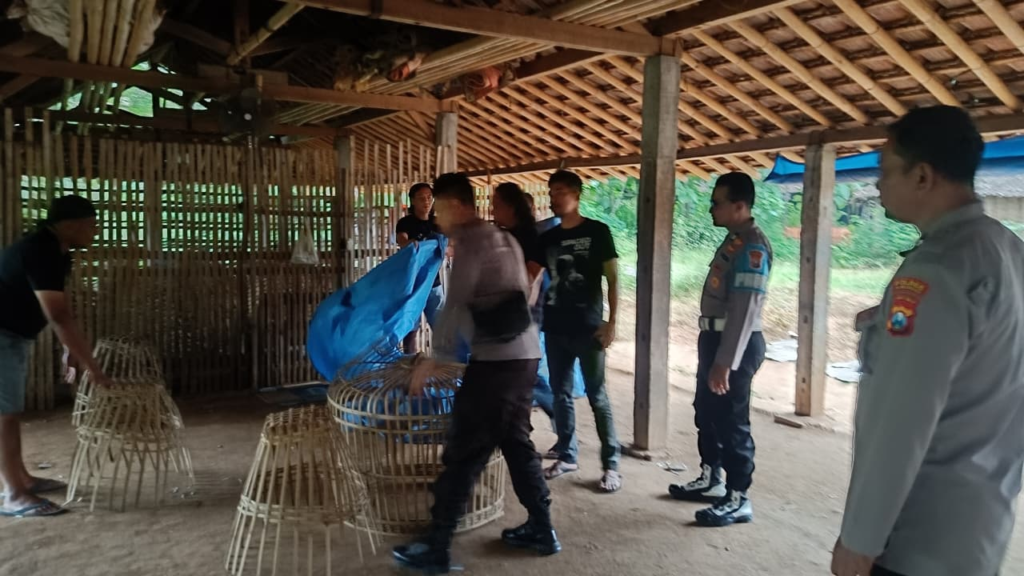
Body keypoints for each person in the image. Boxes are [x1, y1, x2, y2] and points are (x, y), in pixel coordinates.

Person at [832, 106, 1024, 576]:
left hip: (917, 537)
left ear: (922, 176)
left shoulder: (936, 270)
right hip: (979, 527)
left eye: (885, 171)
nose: (878, 184)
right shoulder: (1008, 251)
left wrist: (861, 538)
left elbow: (902, 419)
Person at [393, 173, 560, 573]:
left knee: (464, 448)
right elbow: (520, 294)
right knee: (516, 443)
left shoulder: (474, 242)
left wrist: (432, 361)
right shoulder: (501, 237)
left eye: (439, 207)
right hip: (523, 357)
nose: (436, 216)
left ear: (455, 205)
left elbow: (454, 306)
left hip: (498, 364)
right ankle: (542, 528)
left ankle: (437, 547)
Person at [667, 172, 770, 527]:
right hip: (714, 338)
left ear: (739, 206)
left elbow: (744, 309)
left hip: (735, 344)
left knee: (731, 419)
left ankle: (739, 497)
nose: (711, 208)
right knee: (706, 409)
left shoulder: (753, 247)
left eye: (717, 202)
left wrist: (725, 361)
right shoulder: (734, 240)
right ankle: (712, 477)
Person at [0, 195, 112, 517]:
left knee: (9, 412)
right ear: (71, 225)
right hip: (2, 334)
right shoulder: (40, 250)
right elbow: (58, 315)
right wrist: (92, 367)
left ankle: (22, 479)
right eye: (91, 225)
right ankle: (14, 495)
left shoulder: (59, 253)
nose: (95, 231)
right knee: (4, 415)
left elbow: (56, 307)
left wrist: (69, 351)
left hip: (12, 335)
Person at [529, 170, 622, 493]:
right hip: (555, 328)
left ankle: (611, 465)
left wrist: (612, 322)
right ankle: (567, 456)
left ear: (576, 195)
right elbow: (532, 277)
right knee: (560, 394)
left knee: (598, 396)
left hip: (589, 328)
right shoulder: (548, 238)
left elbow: (613, 278)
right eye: (551, 192)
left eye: (560, 191)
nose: (554, 197)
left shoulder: (597, 232)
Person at [492, 183, 554, 427]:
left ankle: (550, 414)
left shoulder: (531, 237)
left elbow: (531, 279)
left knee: (524, 372)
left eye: (497, 205)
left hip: (524, 314)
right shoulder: (505, 235)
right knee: (514, 372)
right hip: (506, 312)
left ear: (511, 207)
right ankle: (518, 423)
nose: (493, 210)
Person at [395, 183, 444, 354]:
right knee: (411, 328)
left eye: (429, 197)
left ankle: (445, 363)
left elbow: (450, 247)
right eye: (421, 198)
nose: (426, 201)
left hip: (433, 284)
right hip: (412, 285)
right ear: (412, 201)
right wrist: (412, 244)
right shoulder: (405, 223)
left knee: (442, 327)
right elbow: (402, 241)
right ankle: (410, 362)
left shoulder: (437, 224)